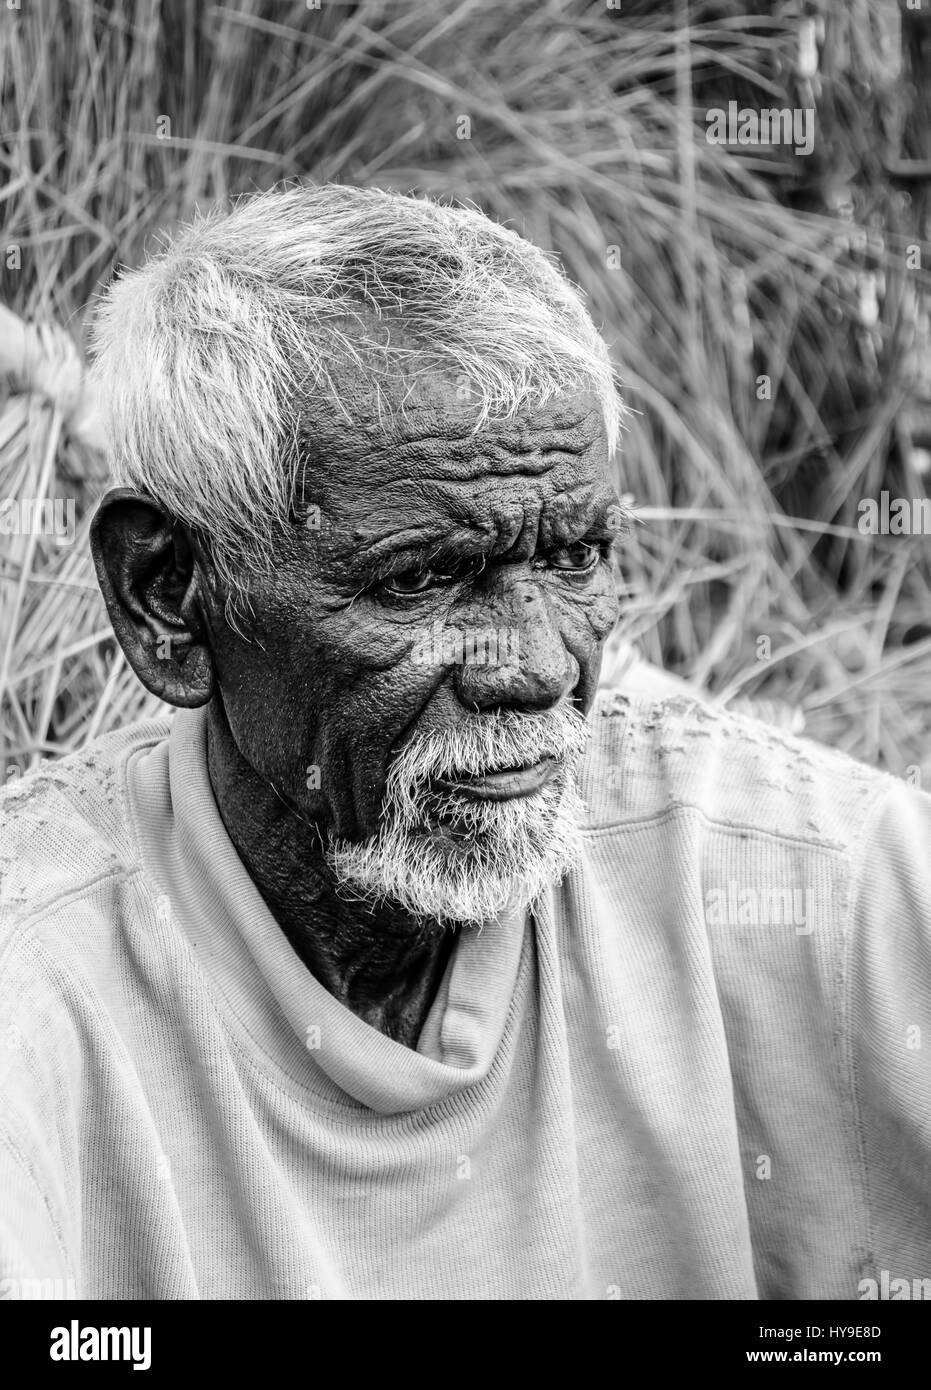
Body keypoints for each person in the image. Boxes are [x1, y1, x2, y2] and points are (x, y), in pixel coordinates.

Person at [0, 184, 928, 1301]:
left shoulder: (787, 873)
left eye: (574, 557)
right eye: (422, 578)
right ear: (170, 600)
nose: (535, 666)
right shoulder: (40, 996)